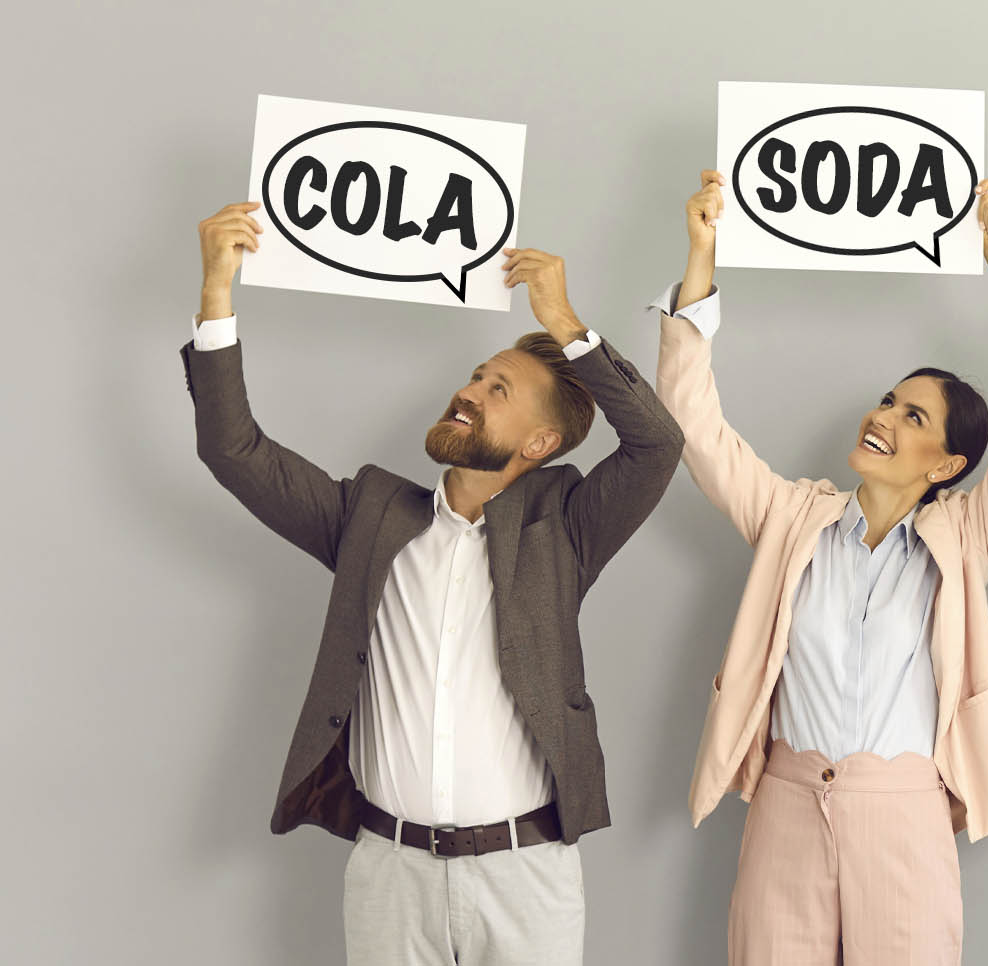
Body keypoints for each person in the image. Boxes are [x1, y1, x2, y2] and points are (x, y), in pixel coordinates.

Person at [183, 201, 684, 965]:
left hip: (528, 877)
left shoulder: (566, 526)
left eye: (498, 392)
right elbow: (234, 449)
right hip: (390, 874)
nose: (470, 393)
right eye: (476, 377)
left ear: (541, 443)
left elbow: (656, 444)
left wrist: (566, 322)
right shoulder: (369, 517)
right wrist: (217, 291)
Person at [655, 172, 988, 965]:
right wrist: (701, 256)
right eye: (887, 400)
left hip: (903, 814)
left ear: (946, 464)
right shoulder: (789, 518)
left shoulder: (968, 533)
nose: (882, 416)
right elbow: (692, 423)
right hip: (785, 803)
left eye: (913, 416)